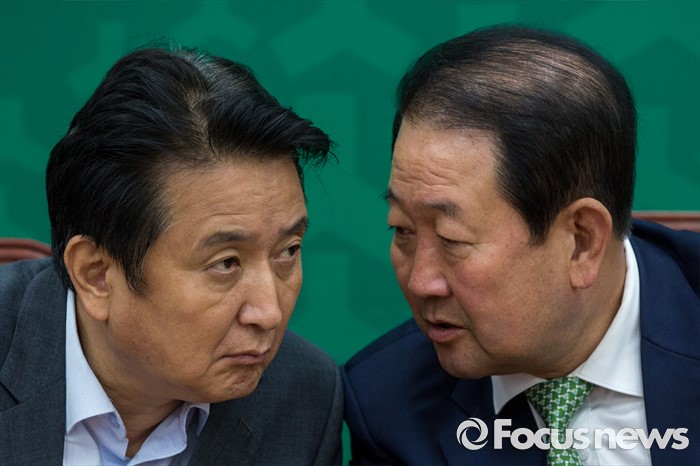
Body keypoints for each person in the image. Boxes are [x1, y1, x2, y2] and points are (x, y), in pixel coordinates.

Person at [342, 24, 700, 465]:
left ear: (581, 242)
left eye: (452, 239)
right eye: (403, 230)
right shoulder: (388, 406)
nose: (420, 282)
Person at [0, 45, 342, 465]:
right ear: (96, 275)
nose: (269, 313)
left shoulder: (303, 396)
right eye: (226, 263)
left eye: (287, 252)